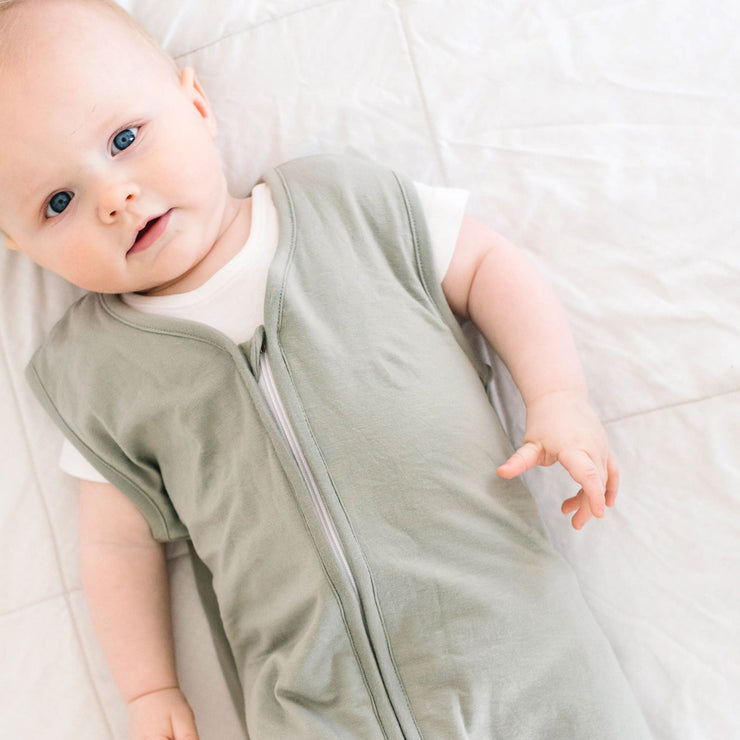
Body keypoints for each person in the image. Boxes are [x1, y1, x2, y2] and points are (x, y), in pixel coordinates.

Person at [0, 1, 650, 738]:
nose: (113, 199)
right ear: (22, 246)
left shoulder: (341, 205)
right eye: (58, 202)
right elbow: (116, 545)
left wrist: (557, 394)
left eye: (124, 138)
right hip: (313, 705)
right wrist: (149, 689)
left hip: (522, 651)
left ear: (197, 105)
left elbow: (488, 266)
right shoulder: (98, 373)